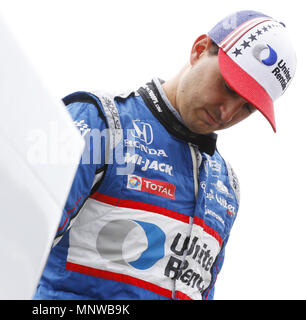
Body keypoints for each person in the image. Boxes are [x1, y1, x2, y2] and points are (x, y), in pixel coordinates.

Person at [34, 10, 296, 300]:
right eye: (228, 86)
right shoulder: (101, 124)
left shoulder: (227, 187)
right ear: (199, 50)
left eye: (247, 107)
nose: (228, 112)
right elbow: (13, 243)